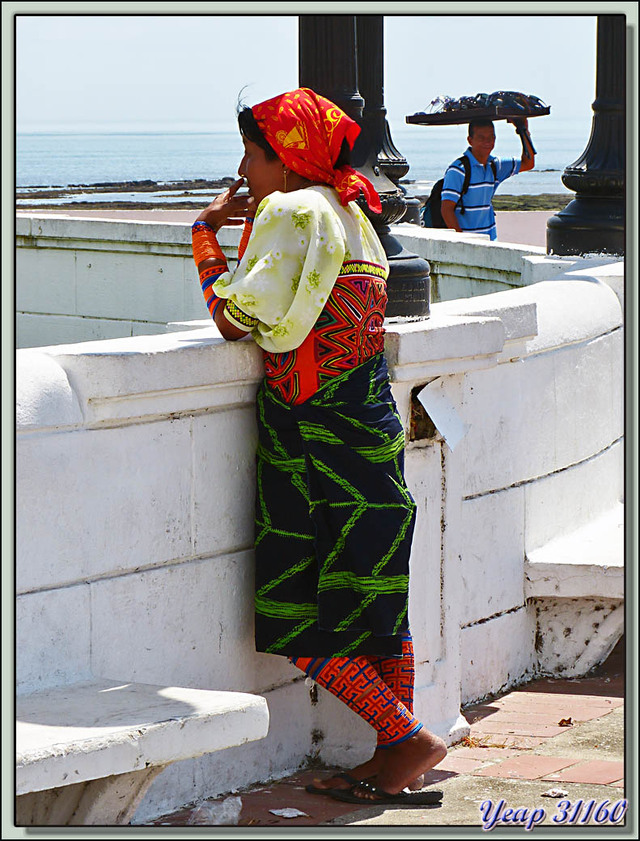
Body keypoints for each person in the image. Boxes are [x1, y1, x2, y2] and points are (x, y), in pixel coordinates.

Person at [191, 87, 447, 806]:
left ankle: (409, 739)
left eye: (252, 152)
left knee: (297, 610)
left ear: (288, 156)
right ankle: (397, 762)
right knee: (377, 601)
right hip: (370, 439)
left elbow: (234, 317)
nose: (244, 170)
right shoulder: (357, 215)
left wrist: (205, 234)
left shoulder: (293, 210)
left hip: (314, 453)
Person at [441, 118, 535, 240]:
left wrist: (523, 131)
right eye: (481, 138)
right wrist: (462, 242)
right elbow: (446, 209)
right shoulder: (458, 170)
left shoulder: (495, 166)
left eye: (491, 137)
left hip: (490, 240)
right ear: (470, 140)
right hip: (467, 244)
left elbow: (528, 163)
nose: (487, 142)